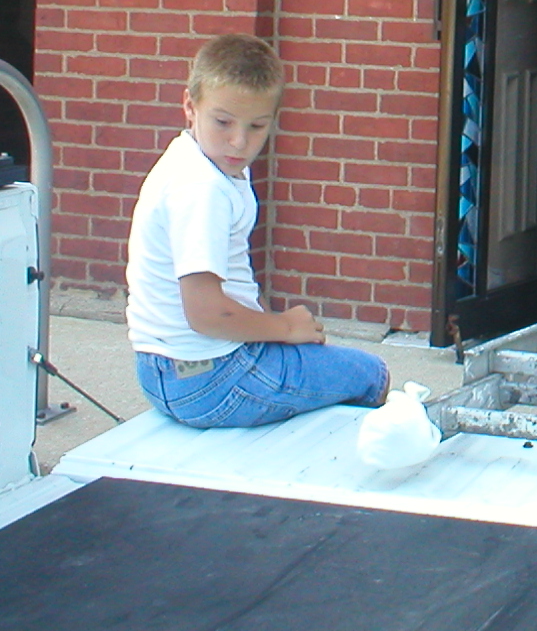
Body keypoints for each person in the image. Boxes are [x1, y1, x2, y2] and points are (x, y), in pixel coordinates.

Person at [126, 33, 389, 428]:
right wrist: (286, 327)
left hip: (165, 371)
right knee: (371, 375)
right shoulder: (202, 189)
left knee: (315, 366)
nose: (239, 142)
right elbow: (206, 314)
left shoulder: (200, 161)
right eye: (223, 122)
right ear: (189, 106)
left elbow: (233, 286)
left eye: (257, 126)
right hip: (211, 377)